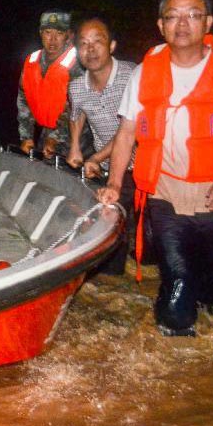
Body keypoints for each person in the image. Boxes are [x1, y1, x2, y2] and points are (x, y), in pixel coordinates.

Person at [97, 0, 213, 337]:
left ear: (208, 22)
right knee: (177, 283)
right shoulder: (144, 72)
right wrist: (114, 184)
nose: (183, 23)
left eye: (193, 14)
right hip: (166, 191)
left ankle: (210, 354)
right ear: (161, 26)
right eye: (173, 16)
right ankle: (173, 342)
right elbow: (126, 133)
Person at [66, 17, 137, 274]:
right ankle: (113, 276)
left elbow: (129, 129)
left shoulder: (132, 75)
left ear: (112, 45)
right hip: (108, 167)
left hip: (143, 162)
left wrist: (95, 157)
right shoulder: (76, 86)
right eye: (84, 44)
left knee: (150, 238)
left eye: (98, 41)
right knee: (111, 220)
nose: (91, 49)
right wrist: (75, 147)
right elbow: (76, 115)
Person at [16, 10, 89, 160]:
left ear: (67, 35)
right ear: (41, 33)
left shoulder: (78, 63)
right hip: (48, 132)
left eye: (59, 33)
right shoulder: (31, 61)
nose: (53, 40)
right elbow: (23, 100)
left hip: (77, 135)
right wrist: (26, 136)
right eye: (48, 32)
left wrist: (55, 137)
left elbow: (76, 106)